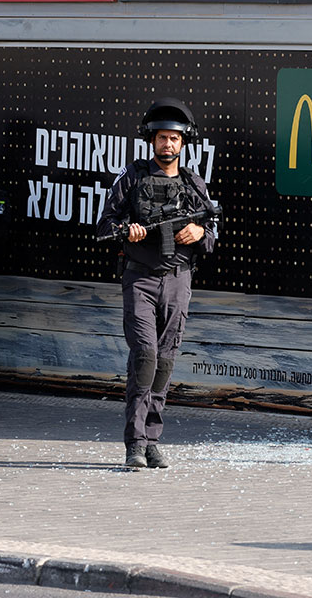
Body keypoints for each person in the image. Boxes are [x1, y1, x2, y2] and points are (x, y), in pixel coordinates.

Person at [98, 99, 218, 469]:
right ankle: (134, 442)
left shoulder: (193, 184)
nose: (168, 145)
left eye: (174, 139)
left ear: (184, 143)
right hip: (141, 280)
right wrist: (127, 232)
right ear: (152, 140)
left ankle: (152, 440)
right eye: (162, 138)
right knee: (145, 357)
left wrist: (199, 232)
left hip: (179, 280)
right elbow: (104, 226)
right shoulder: (132, 178)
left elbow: (213, 235)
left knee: (165, 362)